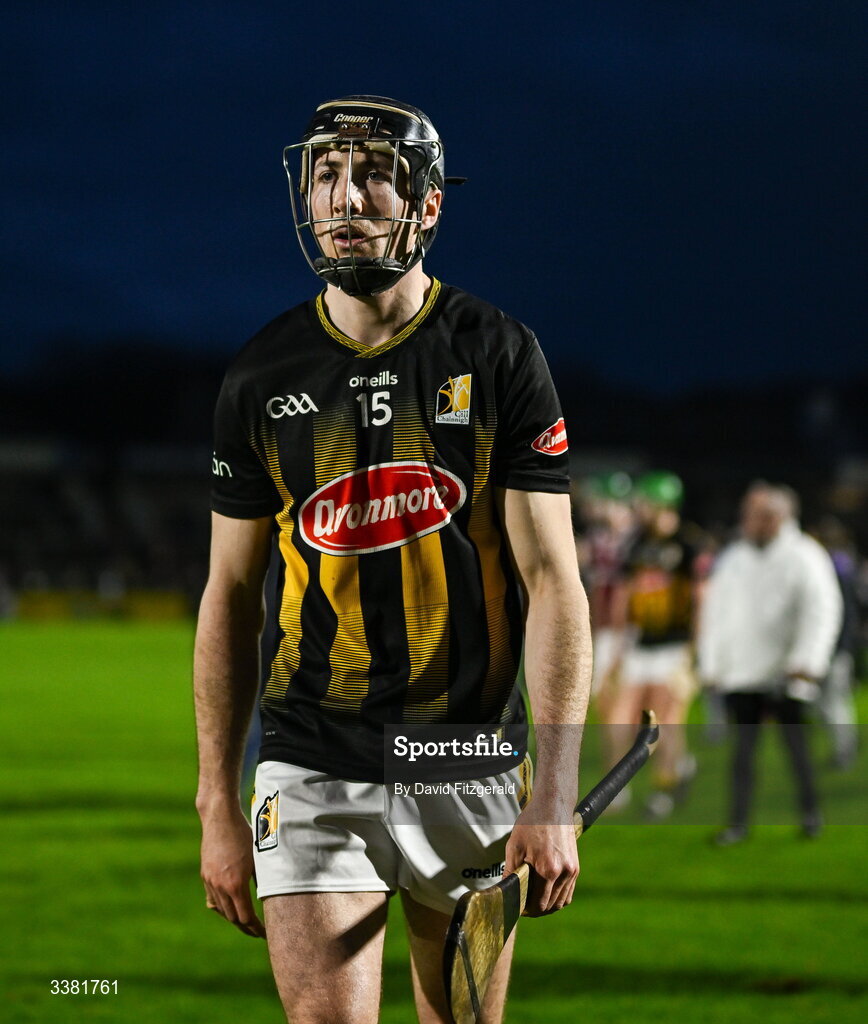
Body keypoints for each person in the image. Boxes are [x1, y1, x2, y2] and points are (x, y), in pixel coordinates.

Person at [193, 95, 591, 1024]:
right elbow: (229, 593)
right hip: (310, 760)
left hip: (467, 759)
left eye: (372, 175)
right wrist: (215, 799)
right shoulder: (261, 373)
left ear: (428, 205)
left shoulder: (498, 354)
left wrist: (558, 790)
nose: (343, 199)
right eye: (325, 175)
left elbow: (554, 580)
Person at [698, 482, 843, 845]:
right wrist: (712, 665)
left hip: (787, 674)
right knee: (742, 755)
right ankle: (738, 823)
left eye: (754, 515)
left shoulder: (805, 555)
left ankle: (810, 813)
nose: (746, 521)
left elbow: (822, 611)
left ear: (776, 517)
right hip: (743, 674)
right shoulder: (734, 557)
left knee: (797, 750)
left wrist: (808, 661)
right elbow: (715, 615)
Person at [600, 471, 702, 818]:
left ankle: (664, 791)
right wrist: (617, 649)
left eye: (647, 503)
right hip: (640, 645)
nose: (641, 509)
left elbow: (701, 601)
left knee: (665, 722)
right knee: (618, 719)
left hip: (673, 647)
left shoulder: (688, 546)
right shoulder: (637, 544)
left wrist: (693, 652)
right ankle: (619, 790)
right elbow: (625, 599)